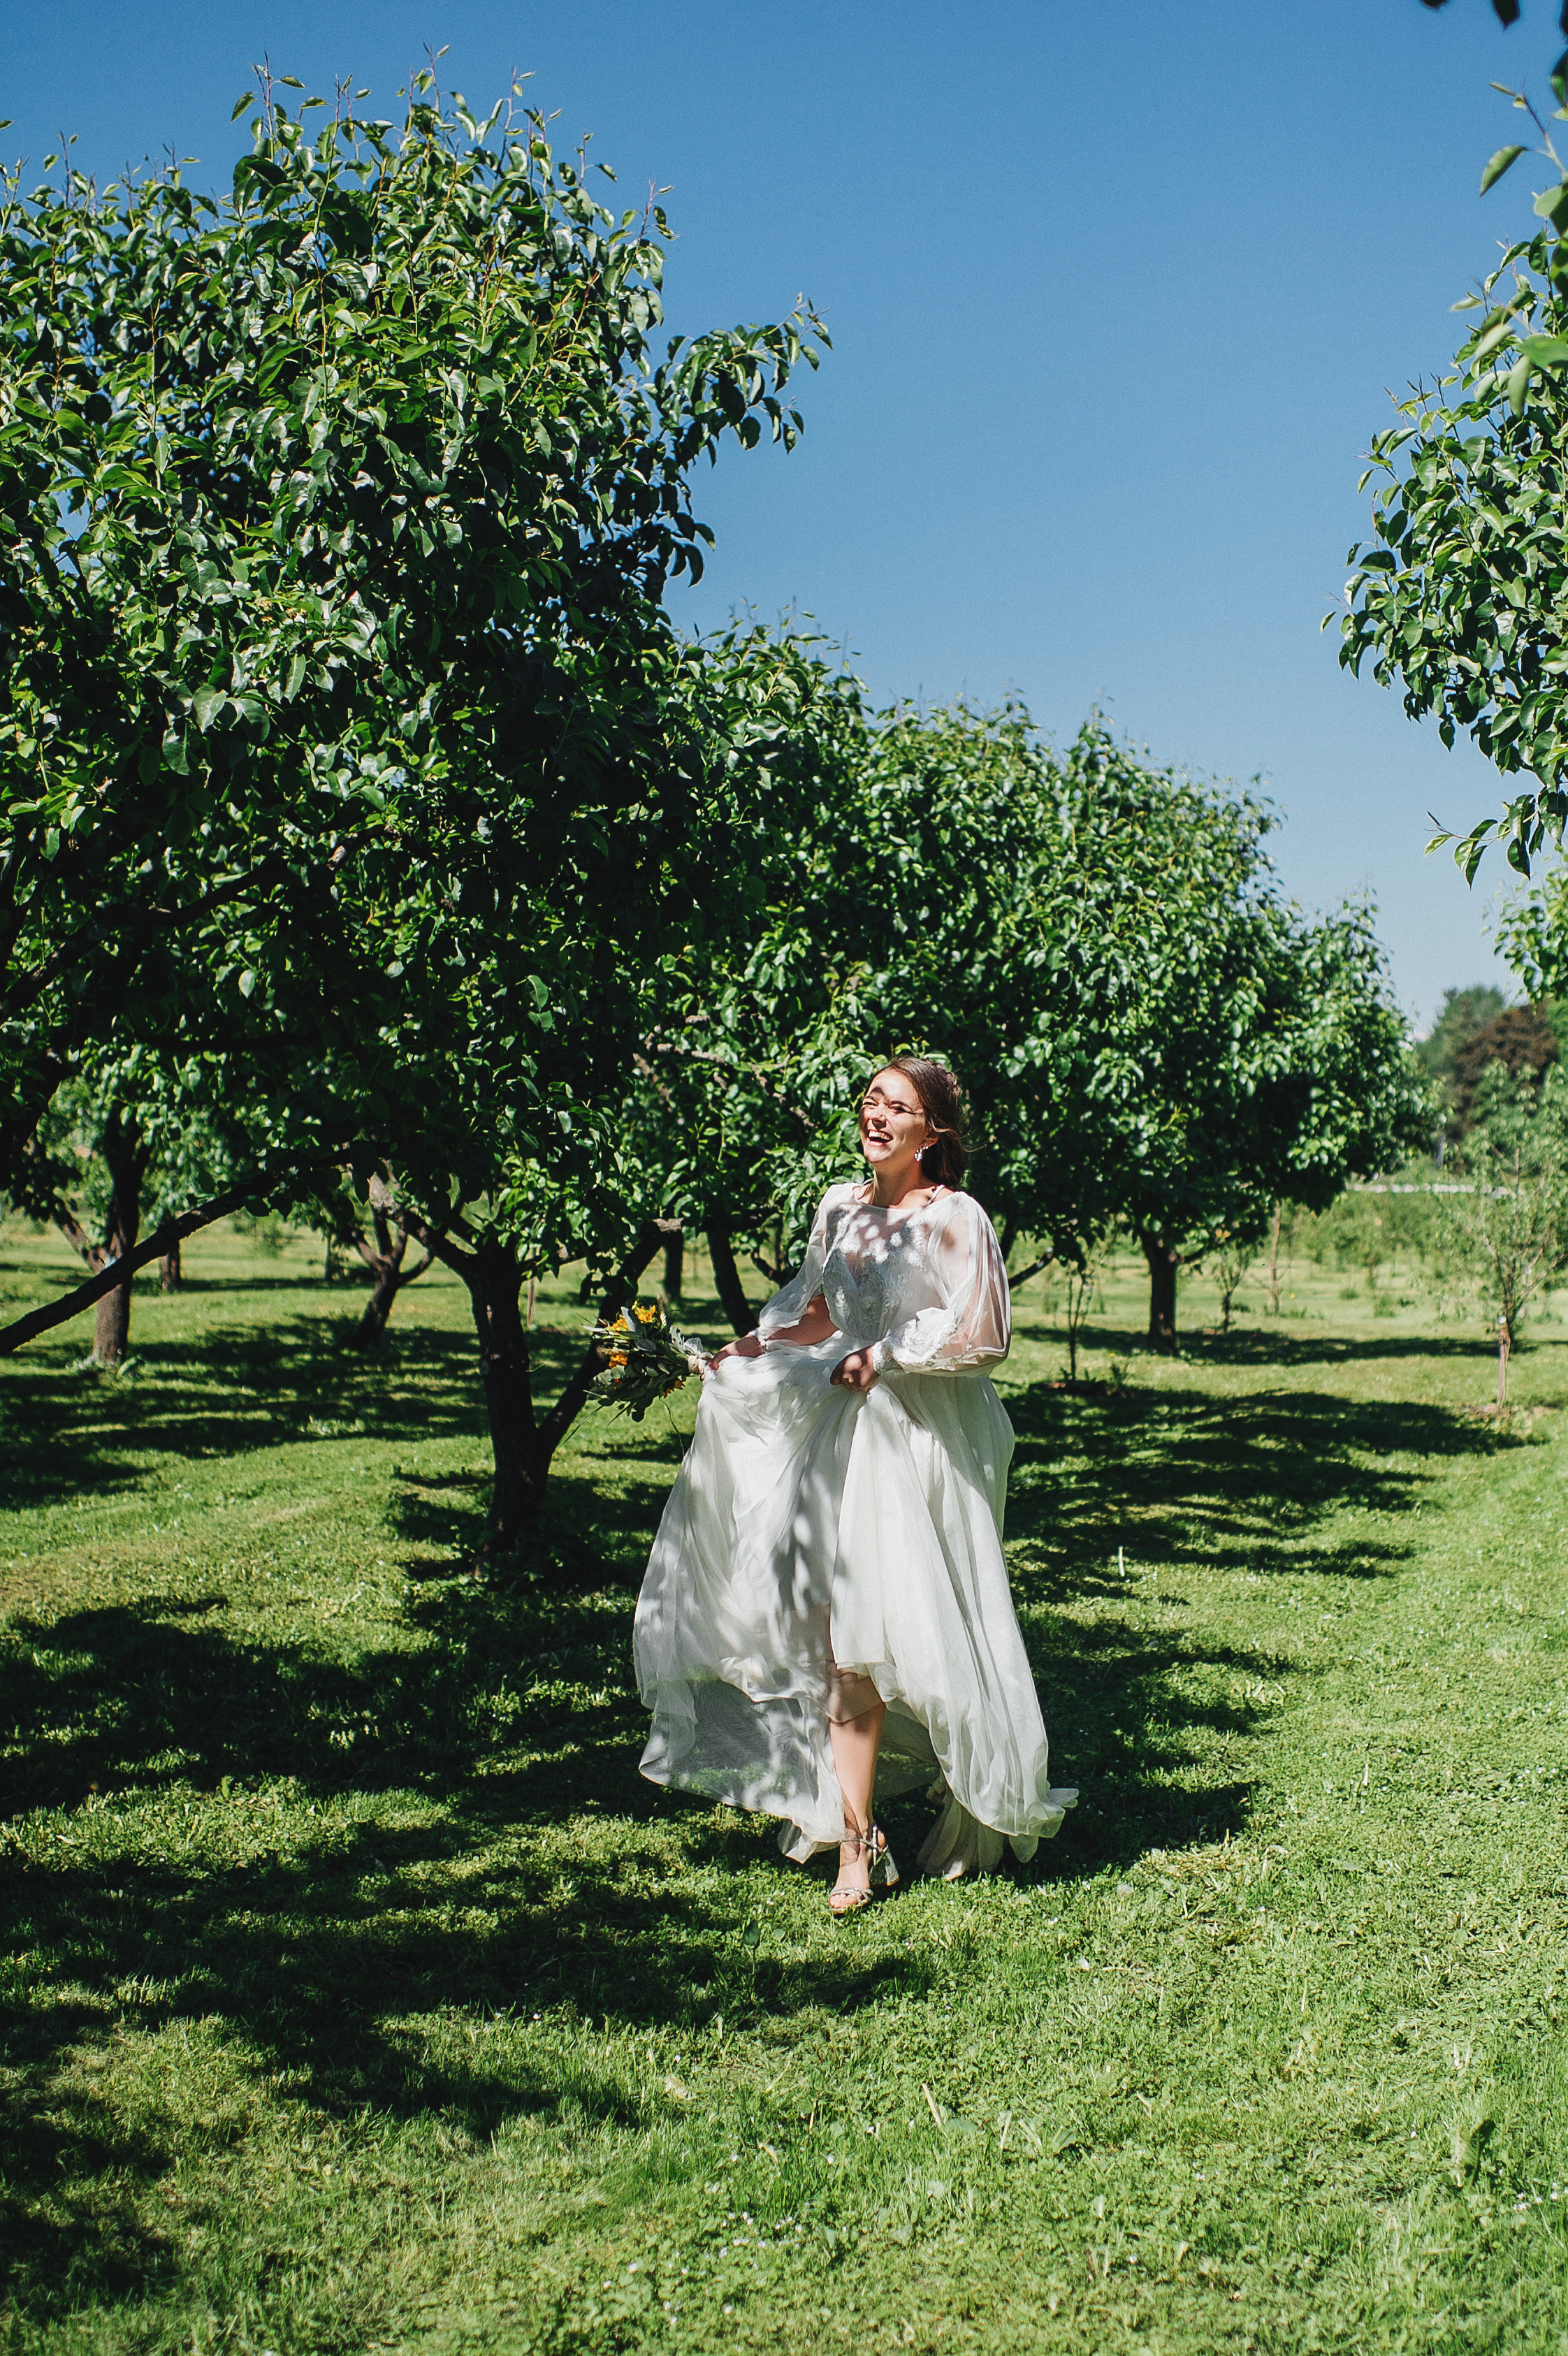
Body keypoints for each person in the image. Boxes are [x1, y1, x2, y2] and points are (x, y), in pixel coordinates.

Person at [633, 1058, 1075, 1914]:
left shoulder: (955, 1219)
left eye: (897, 1105)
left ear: (933, 1131)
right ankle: (856, 1837)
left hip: (914, 1439)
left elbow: (984, 1336)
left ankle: (933, 1788)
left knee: (903, 1625)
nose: (876, 1114)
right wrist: (745, 1350)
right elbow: (820, 1313)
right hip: (836, 1430)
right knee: (829, 1632)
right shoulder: (840, 1206)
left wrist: (891, 1355)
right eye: (872, 1098)